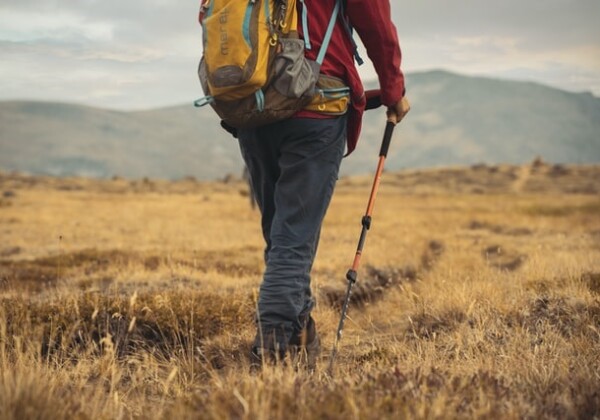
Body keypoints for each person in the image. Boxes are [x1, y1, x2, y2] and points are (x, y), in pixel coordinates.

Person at [237, 0, 410, 365]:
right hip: (317, 103)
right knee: (291, 241)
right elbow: (374, 19)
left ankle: (301, 334)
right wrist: (393, 89)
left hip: (252, 106)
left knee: (282, 236)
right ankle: (272, 351)